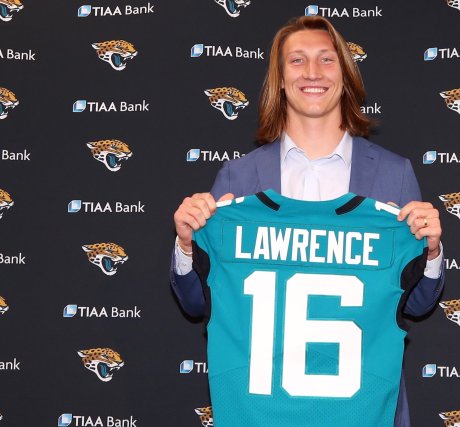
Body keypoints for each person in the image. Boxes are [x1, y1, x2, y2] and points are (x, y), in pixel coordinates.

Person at [170, 16, 445, 427]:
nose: (312, 72)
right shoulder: (237, 177)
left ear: (345, 75)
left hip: (362, 411)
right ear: (280, 80)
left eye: (326, 59)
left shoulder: (394, 173)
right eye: (297, 60)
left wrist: (431, 251)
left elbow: (417, 303)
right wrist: (186, 246)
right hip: (261, 414)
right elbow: (198, 304)